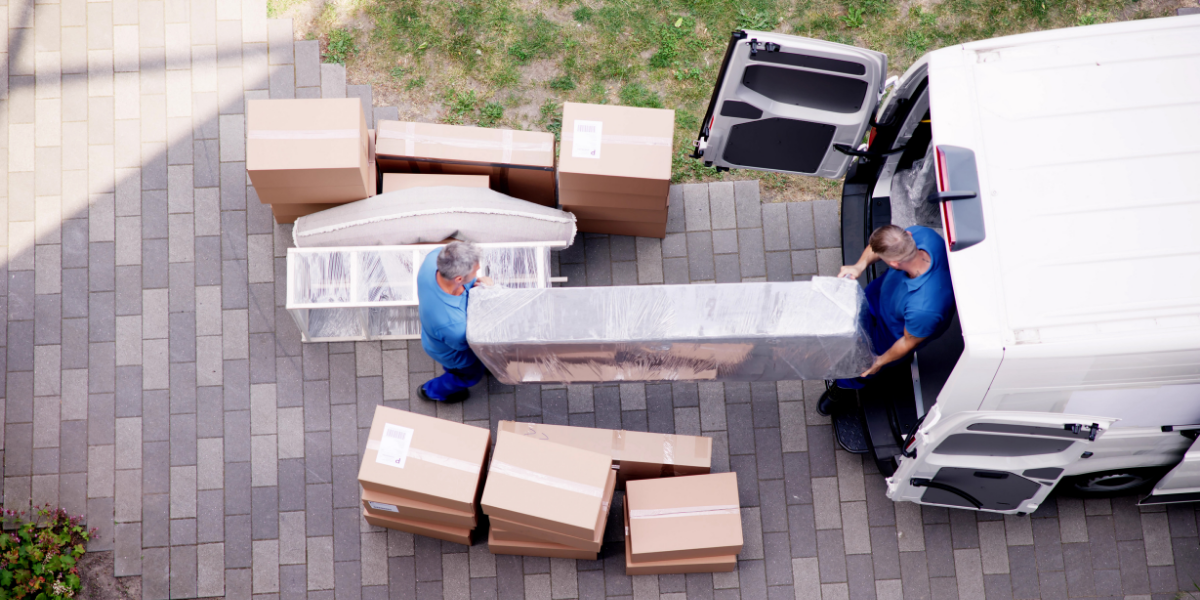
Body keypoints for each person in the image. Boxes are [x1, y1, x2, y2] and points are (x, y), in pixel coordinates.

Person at [817, 224, 956, 416]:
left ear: (894, 264)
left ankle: (844, 388)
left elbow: (908, 341)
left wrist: (879, 361)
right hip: (880, 296)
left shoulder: (925, 307)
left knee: (861, 364)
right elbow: (877, 247)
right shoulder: (922, 235)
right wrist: (860, 265)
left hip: (891, 334)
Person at [417, 241, 493, 403]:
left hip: (433, 335)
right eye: (475, 271)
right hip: (455, 355)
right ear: (458, 278)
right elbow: (471, 344)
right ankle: (433, 391)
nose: (478, 271)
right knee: (467, 376)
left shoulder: (435, 258)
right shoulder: (454, 326)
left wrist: (476, 283)